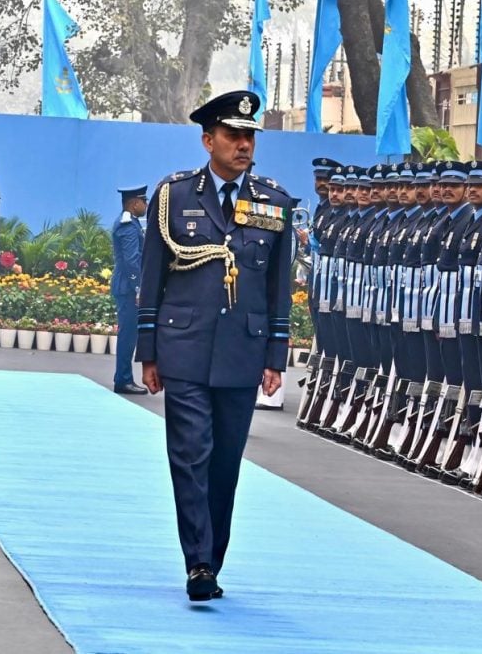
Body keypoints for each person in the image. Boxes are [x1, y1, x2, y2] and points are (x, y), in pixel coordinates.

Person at [135, 90, 291, 601]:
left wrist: (275, 357)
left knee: (224, 463)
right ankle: (198, 562)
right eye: (233, 135)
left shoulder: (274, 201)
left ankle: (212, 558)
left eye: (249, 136)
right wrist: (148, 351)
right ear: (208, 141)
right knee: (189, 454)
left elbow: (278, 288)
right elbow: (153, 276)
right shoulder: (174, 195)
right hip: (183, 347)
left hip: (242, 352)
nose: (243, 144)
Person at [110, 184, 149, 395]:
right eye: (144, 201)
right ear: (134, 203)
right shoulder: (127, 226)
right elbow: (131, 261)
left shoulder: (131, 222)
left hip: (127, 287)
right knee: (127, 335)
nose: (146, 205)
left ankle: (123, 377)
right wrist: (138, 288)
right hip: (128, 288)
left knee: (129, 334)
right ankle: (123, 380)